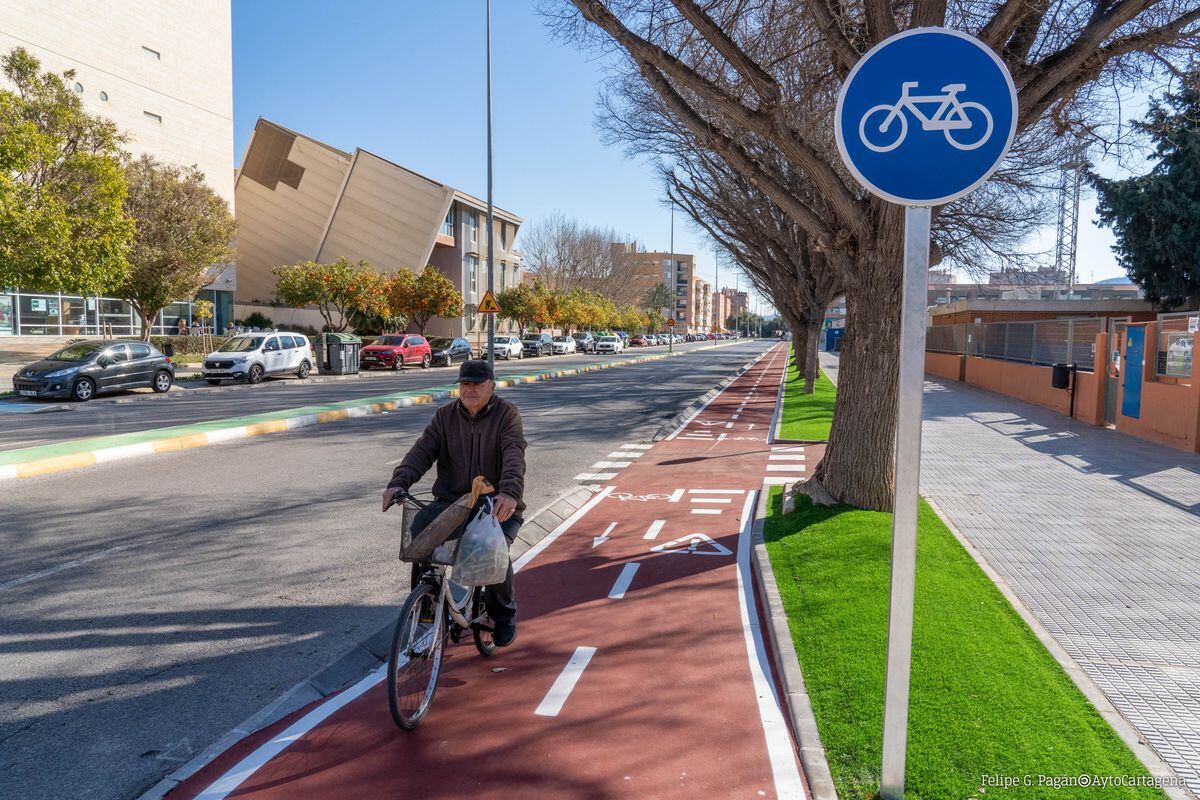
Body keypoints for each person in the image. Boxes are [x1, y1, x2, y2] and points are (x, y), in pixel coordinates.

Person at [382, 359, 526, 647]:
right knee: (421, 534)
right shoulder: (445, 416)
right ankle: (426, 604)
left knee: (494, 553)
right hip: (452, 505)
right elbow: (422, 451)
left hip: (494, 507)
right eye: (464, 384)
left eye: (476, 384)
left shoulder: (506, 414)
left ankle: (503, 615)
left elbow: (514, 455)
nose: (469, 389)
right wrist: (399, 482)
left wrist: (509, 492)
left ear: (491, 386)